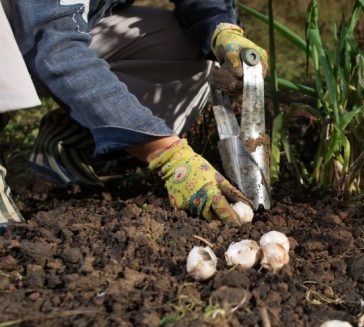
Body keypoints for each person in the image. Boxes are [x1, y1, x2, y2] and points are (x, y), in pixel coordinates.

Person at [0, 0, 268, 233]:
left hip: (65, 27)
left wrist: (221, 28)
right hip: (28, 33)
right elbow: (53, 44)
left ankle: (70, 138)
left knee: (189, 49)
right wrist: (166, 154)